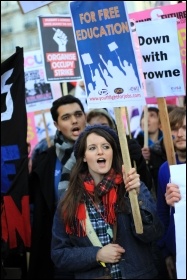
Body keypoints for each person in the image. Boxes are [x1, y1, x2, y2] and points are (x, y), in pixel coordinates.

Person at [51, 125, 164, 279]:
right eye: (92, 148)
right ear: (84, 156)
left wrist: (137, 198)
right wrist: (96, 254)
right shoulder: (69, 199)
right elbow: (59, 254)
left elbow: (153, 234)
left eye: (106, 146)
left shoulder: (131, 186)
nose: (100, 152)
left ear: (113, 152)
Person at [28, 95, 87, 279]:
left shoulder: (104, 151)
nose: (74, 121)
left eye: (78, 114)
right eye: (66, 117)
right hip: (61, 253)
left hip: (99, 250)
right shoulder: (45, 160)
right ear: (56, 124)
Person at [87, 108, 154, 192]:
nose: (100, 132)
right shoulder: (84, 157)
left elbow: (146, 187)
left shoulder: (125, 150)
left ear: (111, 128)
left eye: (103, 126)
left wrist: (139, 162)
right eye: (94, 128)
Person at [157, 106, 186, 279]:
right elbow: (162, 213)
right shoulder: (164, 169)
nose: (180, 133)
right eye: (174, 128)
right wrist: (165, 251)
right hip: (178, 249)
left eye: (185, 128)